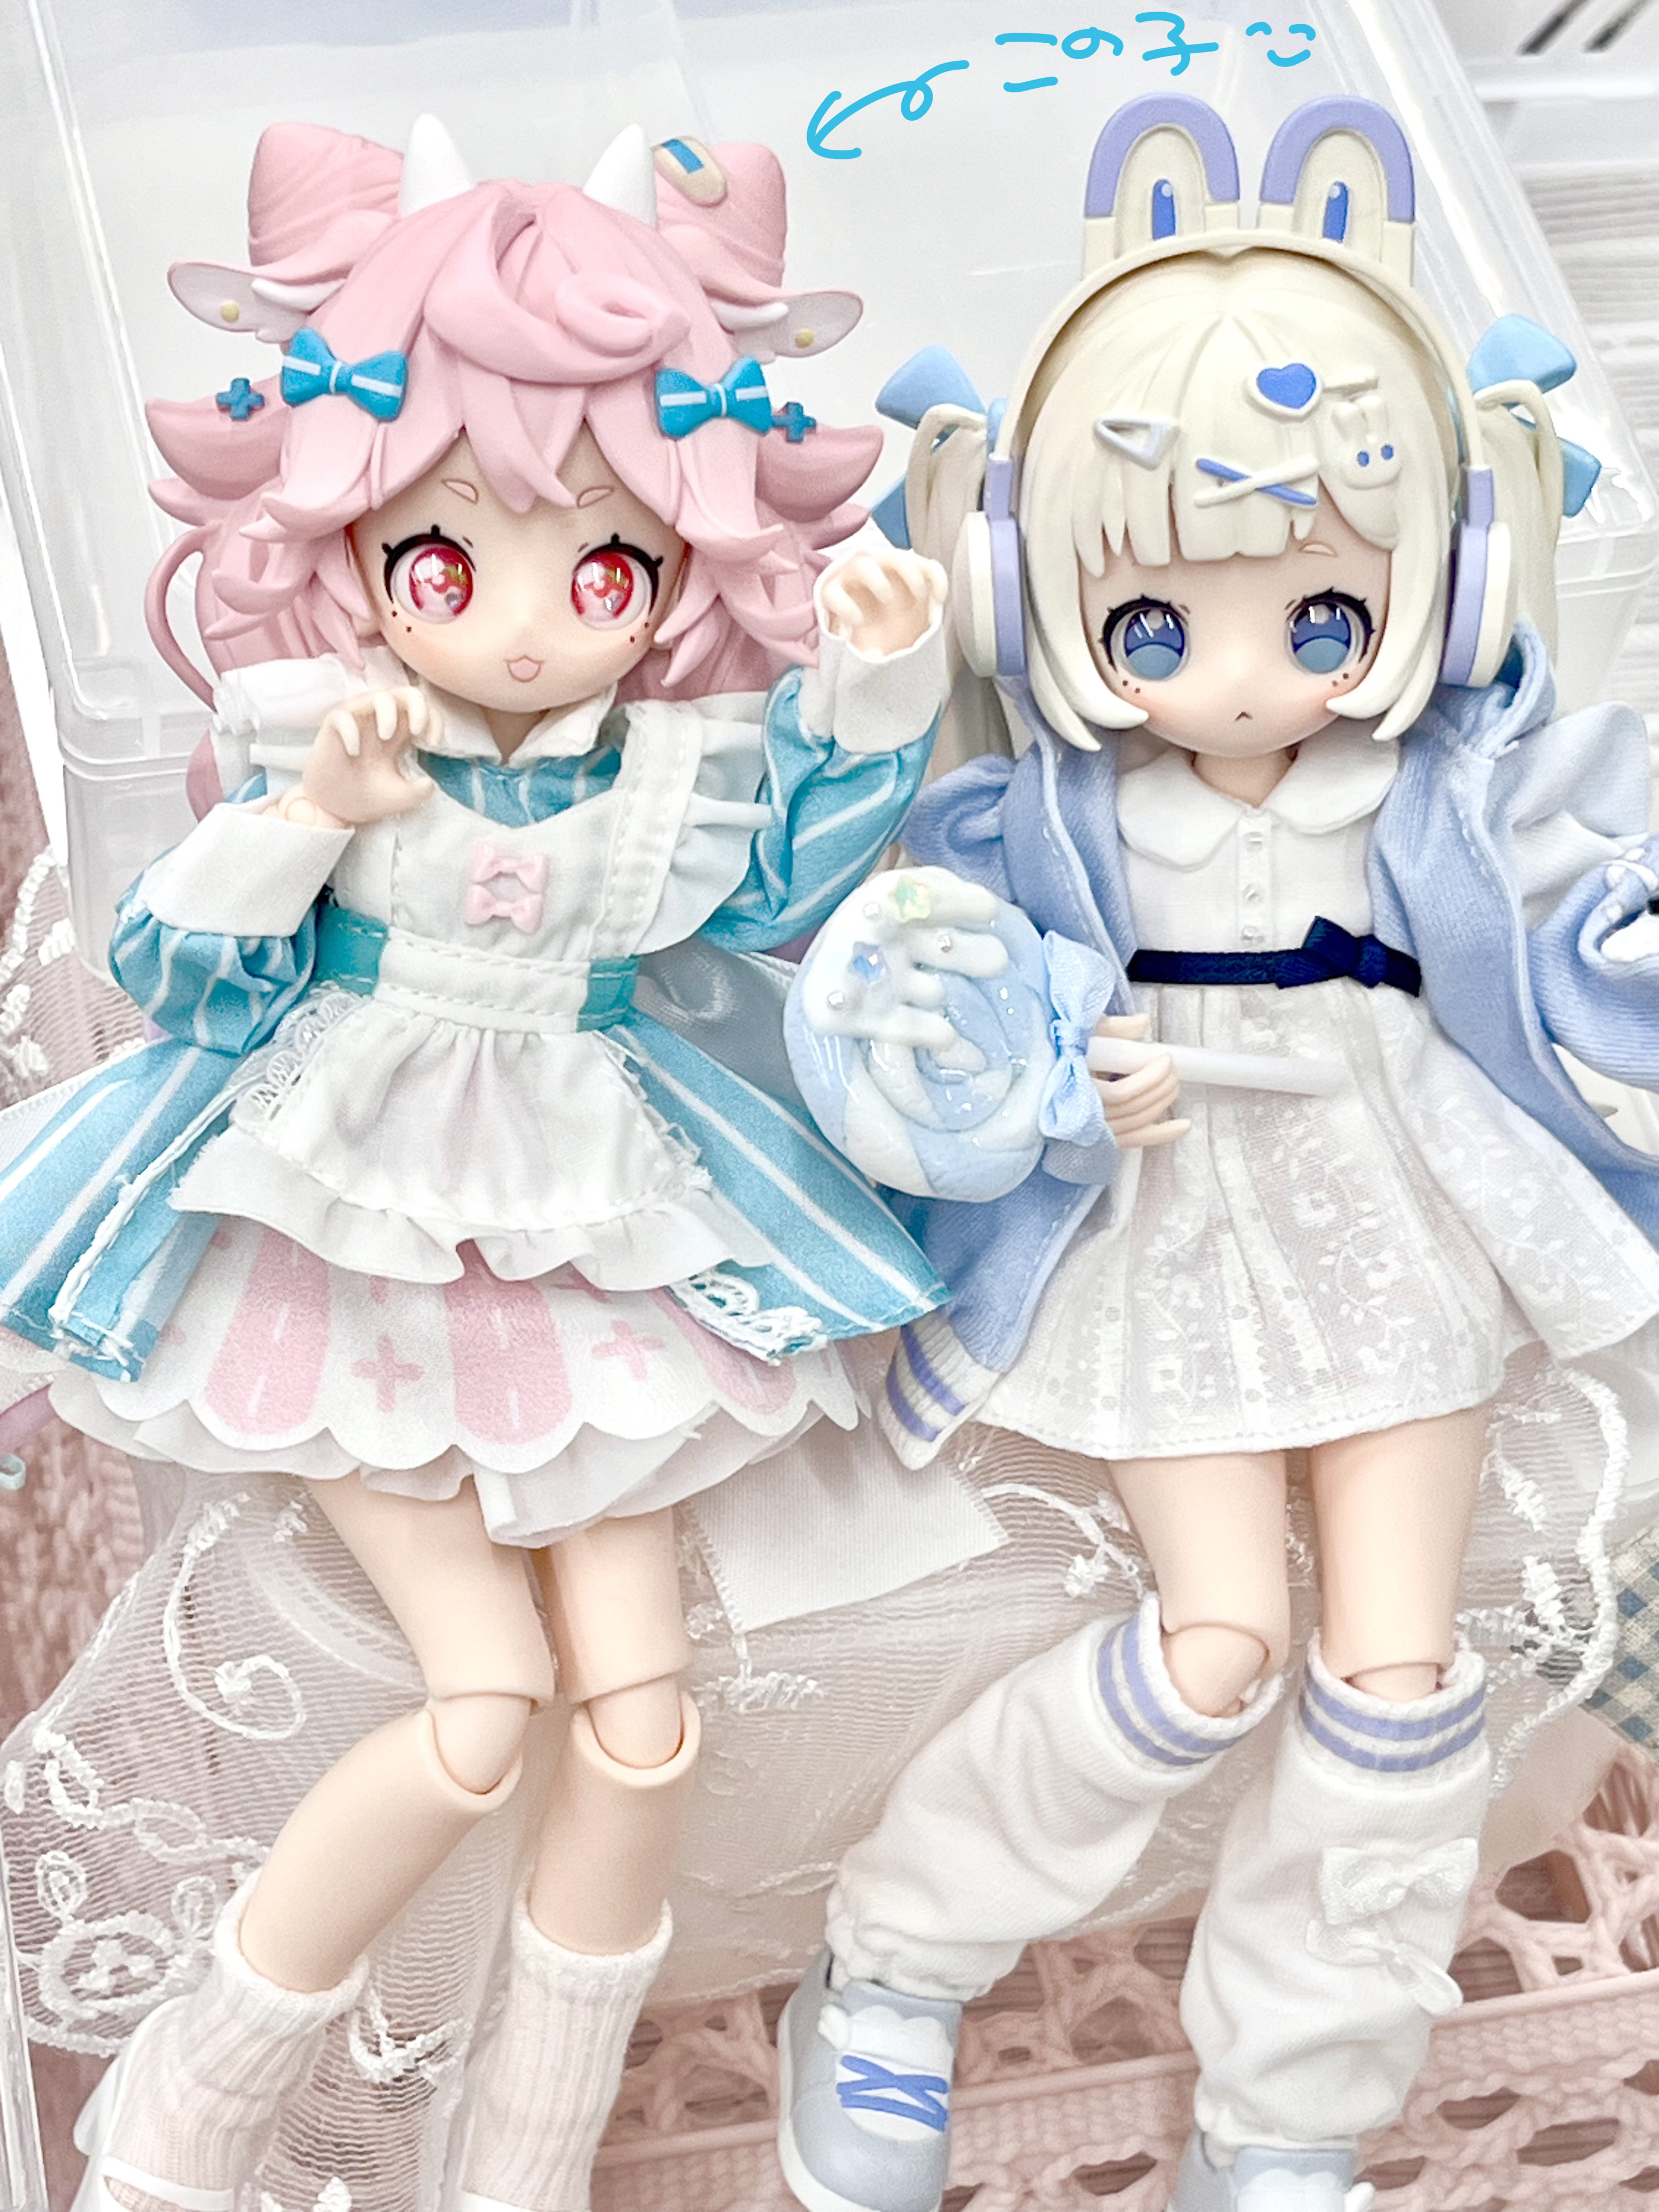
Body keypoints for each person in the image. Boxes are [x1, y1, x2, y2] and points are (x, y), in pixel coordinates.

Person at [0, 115, 951, 2212]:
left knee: (646, 1726)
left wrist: (879, 682)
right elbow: (177, 973)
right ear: (348, 547)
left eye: (607, 571)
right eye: (444, 565)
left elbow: (775, 897)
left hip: (598, 1221)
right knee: (480, 1706)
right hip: (338, 1226)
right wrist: (305, 820)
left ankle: (526, 2155)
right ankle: (186, 2107)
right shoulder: (316, 738)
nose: (529, 628)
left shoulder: (679, 769)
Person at [776, 92, 1659, 2212]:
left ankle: (1293, 2111)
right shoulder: (1034, 814)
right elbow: (910, 993)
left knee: (1399, 1669)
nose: (1243, 677)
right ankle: (894, 1965)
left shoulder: (1452, 788)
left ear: (1435, 591)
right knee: (1213, 1650)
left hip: (1404, 1210)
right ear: (1038, 597)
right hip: (1165, 1226)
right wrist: (1057, 1084)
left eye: (1324, 621)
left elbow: (1580, 938)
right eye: (1156, 627)